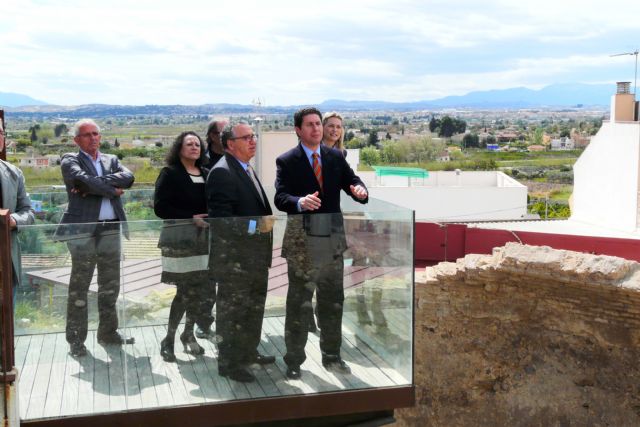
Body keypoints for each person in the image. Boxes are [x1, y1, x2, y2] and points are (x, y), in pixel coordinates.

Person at [274, 107, 368, 380]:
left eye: (318, 123)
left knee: (332, 302)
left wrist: (360, 190)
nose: (316, 128)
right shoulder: (287, 160)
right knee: (299, 305)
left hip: (332, 243)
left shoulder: (335, 156)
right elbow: (280, 198)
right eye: (310, 125)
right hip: (302, 243)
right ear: (298, 130)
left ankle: (332, 356)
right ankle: (294, 360)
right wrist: (299, 202)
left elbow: (352, 181)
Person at [54, 119, 135, 357]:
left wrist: (93, 185)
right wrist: (112, 190)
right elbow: (81, 180)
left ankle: (108, 333)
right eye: (87, 134)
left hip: (111, 228)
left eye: (96, 133)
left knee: (110, 284)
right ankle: (76, 340)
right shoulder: (70, 159)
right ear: (76, 140)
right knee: (80, 287)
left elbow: (129, 178)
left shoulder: (112, 160)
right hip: (82, 231)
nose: (93, 138)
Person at [206, 123, 275, 383]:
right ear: (230, 144)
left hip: (255, 258)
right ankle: (229, 363)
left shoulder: (245, 168)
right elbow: (221, 221)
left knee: (253, 309)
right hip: (235, 261)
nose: (252, 140)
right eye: (246, 137)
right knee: (232, 313)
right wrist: (256, 226)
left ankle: (248, 352)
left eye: (253, 136)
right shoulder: (222, 172)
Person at [154, 131, 210, 362]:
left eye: (197, 144)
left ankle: (188, 334)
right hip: (179, 241)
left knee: (198, 291)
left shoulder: (207, 173)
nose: (194, 147)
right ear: (179, 148)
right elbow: (160, 208)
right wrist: (190, 217)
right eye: (189, 144)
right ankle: (168, 339)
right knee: (184, 292)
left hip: (203, 241)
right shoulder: (169, 173)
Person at [195, 119, 227, 339]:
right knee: (207, 278)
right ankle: (204, 321)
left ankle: (227, 323)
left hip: (229, 227)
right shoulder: (202, 160)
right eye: (222, 132)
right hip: (206, 226)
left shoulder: (235, 157)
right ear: (212, 136)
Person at [0, 118, 35, 296]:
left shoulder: (14, 173)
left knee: (7, 313)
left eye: (0, 133)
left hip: (6, 265)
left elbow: (28, 212)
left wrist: (13, 220)